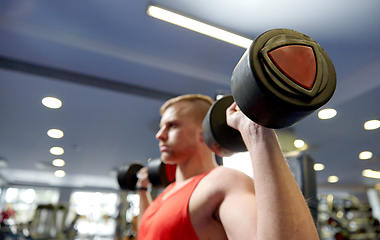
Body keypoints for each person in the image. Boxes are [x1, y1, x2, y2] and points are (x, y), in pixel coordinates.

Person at [136, 94, 319, 239]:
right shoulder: (169, 191)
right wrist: (142, 190)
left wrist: (256, 131)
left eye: (172, 125)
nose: (160, 135)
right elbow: (147, 230)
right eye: (161, 127)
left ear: (203, 130)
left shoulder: (222, 182)